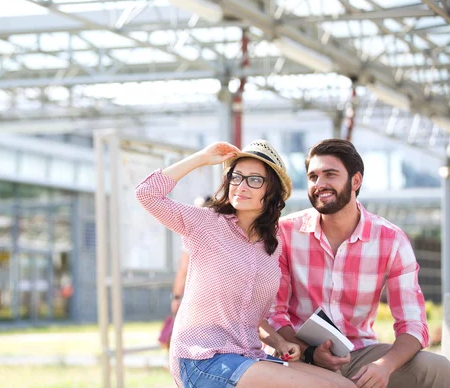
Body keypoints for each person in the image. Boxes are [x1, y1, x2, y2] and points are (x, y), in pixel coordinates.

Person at [136, 140, 355, 388]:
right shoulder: (206, 224)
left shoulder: (271, 245)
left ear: (271, 191)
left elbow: (247, 317)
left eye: (254, 180)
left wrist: (278, 343)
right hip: (203, 358)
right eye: (236, 177)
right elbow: (146, 193)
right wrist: (202, 158)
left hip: (248, 356)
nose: (241, 186)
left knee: (343, 384)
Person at [269, 138, 450, 388]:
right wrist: (308, 352)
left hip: (360, 354)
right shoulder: (285, 233)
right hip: (299, 355)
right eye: (313, 177)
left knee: (439, 369)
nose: (319, 184)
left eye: (330, 174)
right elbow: (273, 313)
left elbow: (412, 323)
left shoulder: (391, 240)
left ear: (356, 181)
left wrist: (383, 366)